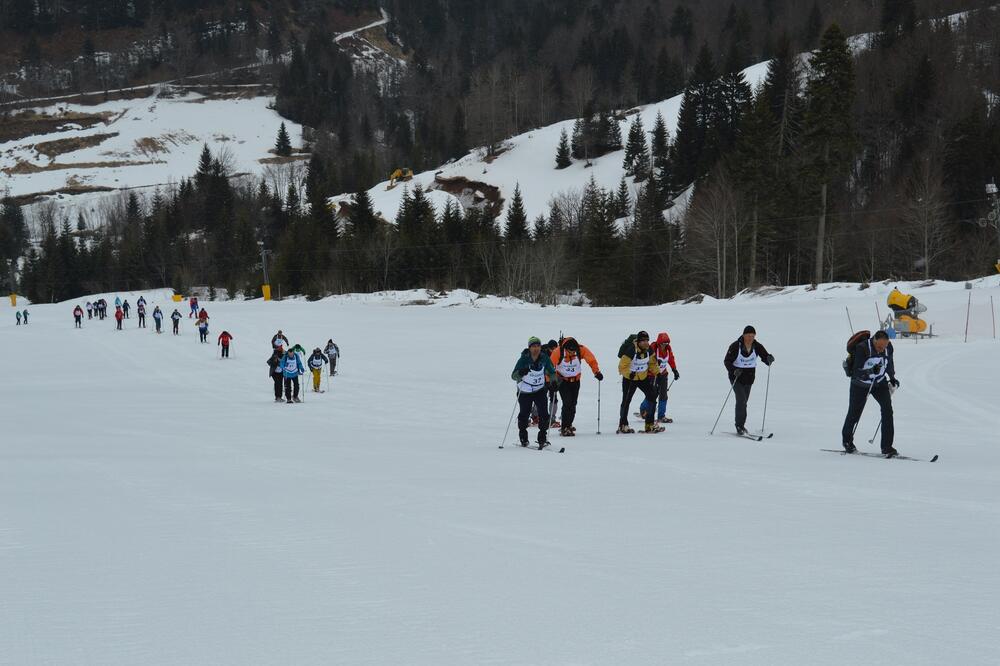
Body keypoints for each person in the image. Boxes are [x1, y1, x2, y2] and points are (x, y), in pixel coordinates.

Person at [842, 330, 900, 457]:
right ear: (874, 340)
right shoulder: (862, 348)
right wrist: (870, 371)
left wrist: (892, 378)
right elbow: (856, 372)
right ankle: (847, 442)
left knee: (887, 410)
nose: (881, 349)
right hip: (860, 384)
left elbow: (889, 363)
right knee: (854, 413)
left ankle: (887, 447)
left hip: (879, 383)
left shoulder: (888, 347)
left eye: (884, 346)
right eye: (879, 347)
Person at [723, 325, 774, 436]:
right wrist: (734, 370)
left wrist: (769, 359)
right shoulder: (735, 346)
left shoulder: (757, 346)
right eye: (748, 335)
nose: (750, 338)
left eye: (752, 336)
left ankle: (741, 425)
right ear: (744, 335)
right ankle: (739, 426)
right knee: (741, 400)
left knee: (744, 402)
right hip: (736, 377)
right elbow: (727, 361)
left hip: (749, 378)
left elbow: (765, 356)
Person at [550, 336, 602, 437]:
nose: (572, 353)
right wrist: (551, 382)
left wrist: (596, 372)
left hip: (576, 381)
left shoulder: (580, 349)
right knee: (567, 403)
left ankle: (569, 424)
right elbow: (550, 367)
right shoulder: (558, 352)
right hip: (563, 381)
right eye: (570, 351)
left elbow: (591, 359)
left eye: (574, 351)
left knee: (573, 404)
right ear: (566, 348)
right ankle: (564, 427)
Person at [512, 336, 557, 447]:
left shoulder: (544, 358)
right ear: (529, 347)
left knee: (544, 414)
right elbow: (513, 376)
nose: (536, 348)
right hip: (525, 391)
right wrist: (521, 372)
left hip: (539, 390)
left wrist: (554, 382)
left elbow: (552, 372)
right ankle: (523, 436)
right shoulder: (524, 359)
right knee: (524, 414)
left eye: (538, 346)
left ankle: (542, 438)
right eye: (533, 346)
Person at [617, 330, 662, 434]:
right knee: (626, 401)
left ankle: (649, 425)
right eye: (643, 341)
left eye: (647, 340)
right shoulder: (631, 350)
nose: (646, 343)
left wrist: (658, 373)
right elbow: (622, 367)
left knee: (652, 397)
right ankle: (623, 425)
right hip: (630, 379)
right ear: (638, 341)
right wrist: (629, 374)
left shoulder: (649, 350)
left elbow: (652, 363)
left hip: (643, 378)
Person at [640, 332, 680, 424]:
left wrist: (674, 369)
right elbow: (646, 359)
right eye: (663, 343)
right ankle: (643, 409)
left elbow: (671, 359)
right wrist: (654, 361)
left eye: (666, 343)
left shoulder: (668, 349)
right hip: (652, 375)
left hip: (663, 374)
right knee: (653, 394)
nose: (664, 345)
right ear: (659, 343)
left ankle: (661, 416)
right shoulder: (653, 347)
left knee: (663, 394)